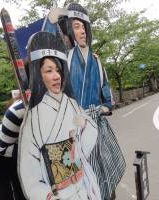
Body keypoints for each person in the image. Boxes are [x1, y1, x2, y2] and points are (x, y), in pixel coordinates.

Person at [43, 3, 126, 200]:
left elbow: (109, 100)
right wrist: (52, 19)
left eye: (84, 27)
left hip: (96, 128)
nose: (82, 32)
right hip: (68, 133)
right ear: (69, 30)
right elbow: (46, 48)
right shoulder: (64, 60)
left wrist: (99, 110)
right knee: (73, 188)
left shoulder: (97, 61)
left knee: (104, 178)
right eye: (77, 26)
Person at [18, 31, 101, 200]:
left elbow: (87, 144)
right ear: (39, 75)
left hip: (81, 184)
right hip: (58, 192)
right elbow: (29, 168)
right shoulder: (33, 118)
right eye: (49, 71)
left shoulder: (71, 104)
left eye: (58, 70)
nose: (56, 76)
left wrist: (84, 125)